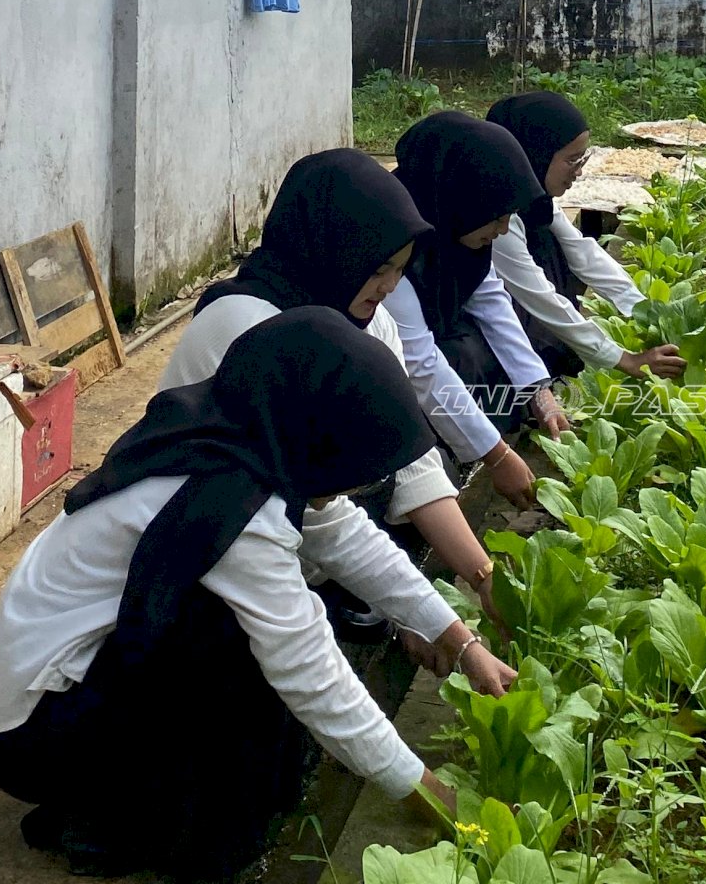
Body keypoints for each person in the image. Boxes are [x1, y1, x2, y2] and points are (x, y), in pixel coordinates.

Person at [0, 309, 515, 878]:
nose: (360, 487)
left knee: (242, 629)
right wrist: (430, 796)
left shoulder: (230, 436)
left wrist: (461, 642)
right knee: (234, 639)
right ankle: (122, 823)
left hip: (53, 692)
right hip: (32, 739)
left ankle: (127, 803)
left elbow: (346, 536)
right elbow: (313, 672)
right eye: (361, 470)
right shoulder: (230, 504)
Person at [159, 149, 502, 649]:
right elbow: (313, 513)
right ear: (333, 247)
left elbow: (413, 466)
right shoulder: (244, 326)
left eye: (401, 270)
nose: (389, 287)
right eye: (379, 267)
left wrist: (482, 576)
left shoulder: (369, 319)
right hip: (215, 540)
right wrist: (418, 613)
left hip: (304, 524)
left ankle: (350, 602)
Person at [383, 112, 571, 509]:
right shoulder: (391, 247)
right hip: (380, 378)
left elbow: (492, 301)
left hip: (421, 360)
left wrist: (540, 392)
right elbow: (419, 362)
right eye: (497, 216)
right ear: (461, 199)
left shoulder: (458, 235)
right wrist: (496, 455)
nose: (503, 230)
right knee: (460, 360)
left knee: (492, 350)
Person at [485, 91, 686, 382]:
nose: (579, 172)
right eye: (572, 161)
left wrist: (646, 313)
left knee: (554, 243)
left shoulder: (532, 196)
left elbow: (584, 252)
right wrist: (625, 360)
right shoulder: (495, 212)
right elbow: (538, 295)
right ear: (535, 155)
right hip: (458, 328)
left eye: (583, 159)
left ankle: (548, 353)